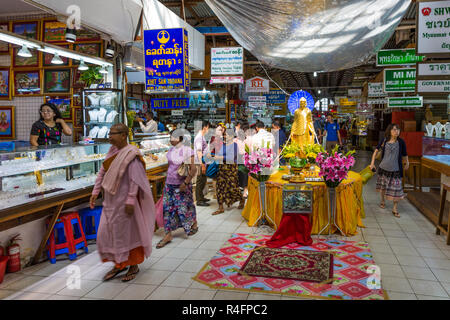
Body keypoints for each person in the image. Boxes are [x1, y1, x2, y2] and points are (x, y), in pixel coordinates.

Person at [89, 123, 155, 282]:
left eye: (113, 133)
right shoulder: (112, 152)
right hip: (110, 201)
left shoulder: (132, 154)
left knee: (129, 234)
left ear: (124, 135)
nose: (110, 136)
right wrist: (95, 191)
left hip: (126, 202)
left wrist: (131, 199)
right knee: (109, 233)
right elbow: (102, 172)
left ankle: (133, 265)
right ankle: (119, 263)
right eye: (109, 133)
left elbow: (135, 180)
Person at [157, 130, 198, 248]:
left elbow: (193, 169)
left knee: (186, 206)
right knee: (167, 208)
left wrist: (186, 182)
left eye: (173, 137)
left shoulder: (187, 151)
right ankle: (168, 234)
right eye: (170, 137)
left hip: (182, 184)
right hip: (169, 183)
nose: (170, 139)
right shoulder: (170, 150)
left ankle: (194, 223)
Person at [370, 123, 409, 218]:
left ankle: (395, 208)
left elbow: (404, 154)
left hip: (396, 169)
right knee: (383, 187)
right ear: (390, 131)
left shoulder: (401, 142)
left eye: (398, 129)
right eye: (394, 129)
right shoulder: (384, 140)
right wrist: (372, 163)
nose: (396, 131)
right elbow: (376, 151)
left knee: (397, 189)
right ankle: (382, 200)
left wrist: (407, 162)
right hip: (384, 168)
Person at [212, 129, 245, 215]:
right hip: (222, 169)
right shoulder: (224, 145)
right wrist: (215, 156)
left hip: (231, 170)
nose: (225, 136)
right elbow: (220, 154)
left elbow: (230, 158)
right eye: (224, 135)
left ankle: (241, 200)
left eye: (227, 135)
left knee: (232, 187)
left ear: (231, 136)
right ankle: (220, 207)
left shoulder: (234, 145)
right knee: (220, 187)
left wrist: (219, 157)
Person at [194, 120, 211, 206]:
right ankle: (199, 200)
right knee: (200, 180)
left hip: (204, 161)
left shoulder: (202, 136)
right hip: (200, 162)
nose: (208, 129)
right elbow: (199, 151)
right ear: (205, 127)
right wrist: (202, 164)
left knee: (203, 179)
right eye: (208, 127)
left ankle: (201, 197)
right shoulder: (199, 137)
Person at [235, 123, 250, 198]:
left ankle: (244, 191)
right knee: (241, 174)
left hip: (244, 158)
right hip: (239, 158)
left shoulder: (247, 140)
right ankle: (243, 191)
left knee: (244, 174)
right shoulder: (236, 140)